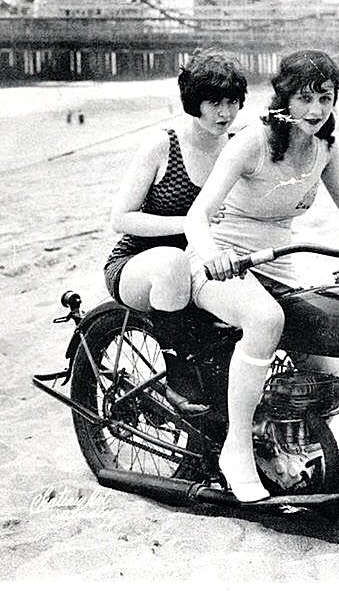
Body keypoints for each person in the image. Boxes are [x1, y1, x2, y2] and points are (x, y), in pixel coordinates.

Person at [184, 49, 339, 502]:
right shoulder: (251, 141)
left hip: (278, 265)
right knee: (265, 320)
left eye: (326, 97)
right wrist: (211, 255)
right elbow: (197, 217)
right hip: (220, 261)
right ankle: (235, 451)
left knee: (331, 372)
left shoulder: (325, 149)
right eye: (304, 99)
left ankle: (285, 442)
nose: (316, 111)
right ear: (284, 100)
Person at [103, 51, 247, 411]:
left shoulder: (236, 146)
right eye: (213, 102)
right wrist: (188, 223)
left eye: (232, 102)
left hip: (202, 265)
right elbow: (120, 218)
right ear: (193, 101)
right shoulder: (163, 145)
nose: (224, 114)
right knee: (172, 263)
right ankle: (177, 380)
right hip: (142, 265)